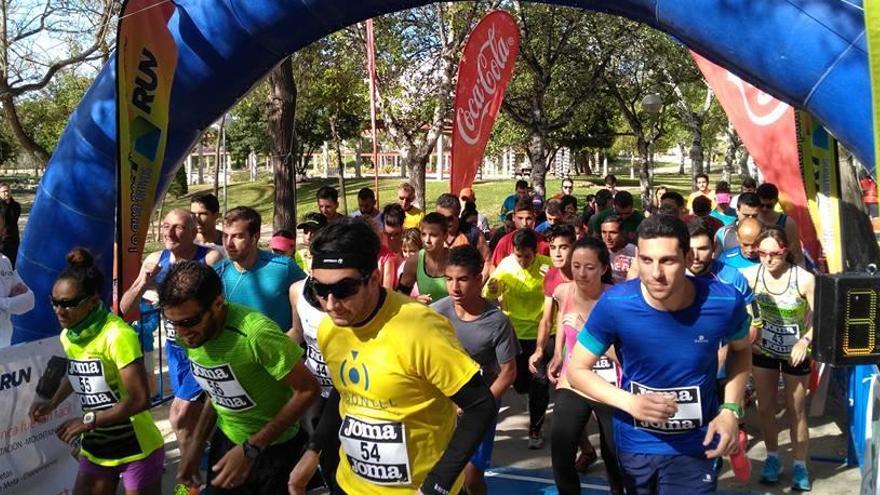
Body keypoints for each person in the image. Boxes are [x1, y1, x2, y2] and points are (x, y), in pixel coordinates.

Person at [288, 218, 496, 495]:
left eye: (343, 289)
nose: (330, 304)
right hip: (350, 485)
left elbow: (479, 405)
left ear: (373, 279)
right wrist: (314, 450)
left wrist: (439, 484)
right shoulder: (330, 328)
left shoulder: (421, 329)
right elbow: (345, 391)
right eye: (319, 289)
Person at [567, 214, 753, 494]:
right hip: (635, 443)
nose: (655, 273)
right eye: (646, 260)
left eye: (667, 260)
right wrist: (629, 402)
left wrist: (730, 410)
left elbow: (741, 351)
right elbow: (577, 369)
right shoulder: (616, 304)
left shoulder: (724, 300)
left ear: (687, 257)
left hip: (696, 443)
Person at [159, 261, 320, 494]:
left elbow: (308, 390)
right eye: (172, 322)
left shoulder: (256, 333)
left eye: (189, 322)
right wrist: (194, 448)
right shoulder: (190, 336)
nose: (182, 333)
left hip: (276, 453)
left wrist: (251, 448)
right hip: (226, 445)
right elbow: (216, 391)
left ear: (217, 304)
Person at [32, 248, 164, 495]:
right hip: (97, 447)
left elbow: (140, 400)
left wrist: (87, 421)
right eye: (55, 302)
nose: (60, 311)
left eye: (69, 304)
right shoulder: (69, 335)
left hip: (137, 447)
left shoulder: (117, 335)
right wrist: (52, 403)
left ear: (93, 300)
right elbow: (78, 373)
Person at [119, 208, 222, 459]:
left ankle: (188, 478)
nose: (169, 233)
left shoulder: (210, 258)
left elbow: (223, 305)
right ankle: (198, 472)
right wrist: (144, 280)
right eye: (165, 226)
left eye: (177, 227)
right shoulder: (156, 259)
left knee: (178, 414)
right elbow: (125, 308)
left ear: (192, 231)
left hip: (206, 349)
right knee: (190, 421)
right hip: (176, 352)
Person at [431, 245, 520, 495]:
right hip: (441, 408)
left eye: (462, 279)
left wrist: (480, 405)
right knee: (440, 475)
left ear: (479, 279)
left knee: (471, 475)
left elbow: (508, 373)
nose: (454, 288)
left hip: (479, 405)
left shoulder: (497, 321)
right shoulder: (435, 314)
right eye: (449, 279)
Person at [742, 227, 815, 491]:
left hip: (796, 354)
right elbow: (737, 307)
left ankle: (799, 465)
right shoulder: (749, 276)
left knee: (796, 410)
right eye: (762, 253)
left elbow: (821, 317)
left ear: (786, 251)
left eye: (775, 254)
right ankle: (772, 458)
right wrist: (750, 330)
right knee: (764, 408)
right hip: (764, 351)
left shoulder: (804, 279)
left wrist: (805, 340)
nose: (768, 259)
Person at [549, 237, 624, 495]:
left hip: (611, 386)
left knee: (614, 454)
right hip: (574, 382)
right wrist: (558, 355)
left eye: (589, 267)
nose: (581, 273)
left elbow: (626, 354)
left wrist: (587, 335)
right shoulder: (563, 291)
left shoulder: (617, 300)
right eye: (576, 265)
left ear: (604, 268)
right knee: (560, 448)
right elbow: (562, 321)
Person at [485, 228, 552, 449]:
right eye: (518, 255)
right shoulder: (506, 265)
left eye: (527, 256)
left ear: (535, 252)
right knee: (521, 383)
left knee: (540, 382)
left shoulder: (546, 266)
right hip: (514, 332)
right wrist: (493, 287)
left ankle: (536, 428)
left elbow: (558, 291)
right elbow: (489, 293)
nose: (522, 260)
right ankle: (528, 394)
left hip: (541, 332)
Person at [214, 206, 306, 330]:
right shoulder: (217, 273)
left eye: (237, 236)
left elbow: (311, 307)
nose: (229, 243)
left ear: (255, 237)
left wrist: (295, 335)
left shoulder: (284, 268)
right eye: (225, 236)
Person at [287, 277, 340, 493]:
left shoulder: (347, 296)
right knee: (322, 455)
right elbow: (297, 332)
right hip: (315, 389)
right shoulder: (296, 290)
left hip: (346, 391)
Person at [398, 212, 450, 304]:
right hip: (427, 316)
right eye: (423, 234)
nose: (427, 240)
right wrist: (414, 300)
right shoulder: (414, 262)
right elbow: (400, 298)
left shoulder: (456, 259)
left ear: (445, 235)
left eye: (433, 235)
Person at [436, 193, 492, 279]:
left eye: (449, 218)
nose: (445, 222)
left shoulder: (473, 233)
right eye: (440, 218)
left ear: (458, 213)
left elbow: (488, 261)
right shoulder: (431, 233)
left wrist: (479, 283)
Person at [0, 214, 33, 347]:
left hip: (5, 347)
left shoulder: (5, 261)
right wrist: (10, 301)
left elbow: (29, 300)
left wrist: (3, 302)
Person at [491, 198, 550, 266]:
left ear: (534, 217)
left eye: (528, 219)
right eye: (520, 218)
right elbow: (494, 268)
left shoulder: (544, 243)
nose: (524, 223)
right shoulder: (504, 243)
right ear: (513, 217)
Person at [756, 183, 804, 265]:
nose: (764, 209)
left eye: (769, 206)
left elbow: (797, 254)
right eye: (761, 205)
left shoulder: (787, 223)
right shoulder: (752, 220)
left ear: (776, 202)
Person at [714, 192, 762, 257]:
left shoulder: (767, 233)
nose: (750, 219)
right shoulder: (723, 234)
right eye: (746, 215)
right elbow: (717, 261)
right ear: (737, 210)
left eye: (754, 216)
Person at [600, 215, 637, 283]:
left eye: (613, 232)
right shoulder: (598, 254)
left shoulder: (634, 251)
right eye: (604, 232)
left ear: (622, 232)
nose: (608, 237)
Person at [0, 184, 21, 266]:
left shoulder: (16, 206)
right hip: (2, 240)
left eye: (8, 191)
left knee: (12, 263)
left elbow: (13, 220)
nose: (6, 193)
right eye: (4, 191)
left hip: (13, 239)